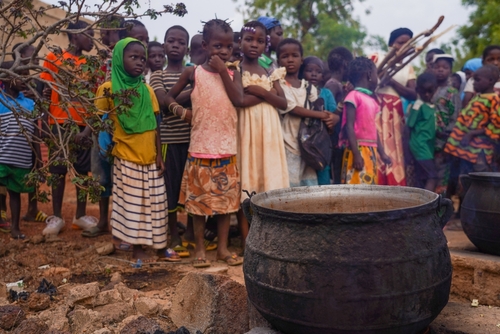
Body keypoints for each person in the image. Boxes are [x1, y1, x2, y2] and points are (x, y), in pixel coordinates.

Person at [165, 19, 244, 268]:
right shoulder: (192, 73)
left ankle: (221, 249)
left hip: (226, 150)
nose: (223, 51)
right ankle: (200, 249)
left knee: (225, 205)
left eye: (228, 47)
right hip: (199, 149)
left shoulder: (233, 74)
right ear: (205, 45)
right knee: (198, 206)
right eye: (217, 45)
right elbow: (167, 99)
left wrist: (223, 70)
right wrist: (183, 112)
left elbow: (238, 99)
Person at [94, 37, 176, 262]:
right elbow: (100, 123)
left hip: (150, 159)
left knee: (157, 204)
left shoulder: (147, 91)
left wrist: (159, 155)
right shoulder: (108, 89)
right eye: (133, 57)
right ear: (120, 60)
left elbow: (156, 126)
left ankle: (160, 247)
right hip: (126, 158)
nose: (140, 62)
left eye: (143, 58)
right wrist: (104, 147)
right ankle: (138, 248)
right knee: (133, 206)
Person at [40, 20, 98, 235]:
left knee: (83, 171)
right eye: (89, 34)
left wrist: (88, 129)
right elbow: (43, 91)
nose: (92, 39)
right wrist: (45, 124)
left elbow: (93, 100)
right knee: (57, 170)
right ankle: (56, 217)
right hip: (59, 123)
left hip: (83, 126)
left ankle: (80, 216)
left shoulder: (89, 65)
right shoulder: (53, 58)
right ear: (75, 36)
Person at [236, 21, 289, 250]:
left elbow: (283, 102)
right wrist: (269, 94)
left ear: (266, 44)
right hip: (246, 129)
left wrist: (260, 91)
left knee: (268, 178)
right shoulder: (235, 68)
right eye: (249, 40)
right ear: (240, 41)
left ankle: (272, 239)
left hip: (269, 131)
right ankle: (247, 241)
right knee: (248, 177)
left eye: (260, 41)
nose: (254, 45)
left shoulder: (271, 69)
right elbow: (241, 100)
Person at [151, 25, 191, 257]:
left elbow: (170, 101)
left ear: (186, 48)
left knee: (193, 187)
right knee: (171, 188)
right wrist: (189, 94)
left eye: (180, 42)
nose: (175, 45)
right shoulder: (157, 75)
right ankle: (173, 232)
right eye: (171, 41)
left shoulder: (194, 71)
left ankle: (191, 234)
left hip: (194, 141)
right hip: (169, 140)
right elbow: (162, 103)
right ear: (164, 45)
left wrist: (173, 98)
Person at [276, 38, 337, 187]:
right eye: (285, 56)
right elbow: (294, 109)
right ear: (278, 61)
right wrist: (323, 115)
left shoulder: (308, 87)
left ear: (301, 60)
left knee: (308, 186)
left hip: (309, 143)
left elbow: (318, 106)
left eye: (294, 56)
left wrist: (332, 117)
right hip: (288, 142)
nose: (290, 60)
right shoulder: (280, 84)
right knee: (290, 185)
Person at [372, 28, 417, 186]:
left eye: (408, 44)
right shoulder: (377, 58)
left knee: (394, 147)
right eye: (400, 42)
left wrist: (391, 82)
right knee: (375, 142)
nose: (404, 46)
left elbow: (413, 94)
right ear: (391, 44)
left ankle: (393, 183)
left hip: (395, 113)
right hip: (375, 107)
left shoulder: (408, 68)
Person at [0, 66, 40, 239]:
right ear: (7, 78)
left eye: (27, 75)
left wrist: (37, 159)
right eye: (20, 75)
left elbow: (35, 134)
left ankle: (15, 227)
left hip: (21, 160)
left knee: (15, 194)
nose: (25, 79)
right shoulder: (0, 101)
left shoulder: (30, 103)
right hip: (1, 157)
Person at [339, 57, 391, 185]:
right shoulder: (353, 96)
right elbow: (349, 126)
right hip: (357, 149)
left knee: (368, 185)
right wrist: (356, 154)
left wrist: (382, 153)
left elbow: (373, 129)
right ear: (369, 75)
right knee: (355, 185)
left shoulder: (371, 100)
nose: (376, 78)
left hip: (370, 150)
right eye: (375, 74)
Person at [444, 65, 500, 174]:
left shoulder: (494, 100)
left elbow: (496, 125)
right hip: (465, 148)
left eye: (477, 80)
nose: (474, 83)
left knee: (480, 175)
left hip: (480, 148)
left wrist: (472, 134)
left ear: (490, 81)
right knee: (464, 176)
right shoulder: (478, 97)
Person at [300, 56, 338, 184]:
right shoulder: (300, 91)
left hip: (321, 144)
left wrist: (334, 118)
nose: (314, 74)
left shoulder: (326, 94)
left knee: (323, 178)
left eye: (318, 71)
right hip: (301, 142)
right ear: (302, 72)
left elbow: (333, 114)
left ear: (323, 75)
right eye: (309, 70)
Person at [431, 54, 461, 194]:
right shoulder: (429, 89)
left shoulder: (452, 92)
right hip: (427, 139)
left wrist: (449, 140)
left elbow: (455, 117)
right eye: (437, 67)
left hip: (443, 140)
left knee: (442, 174)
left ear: (450, 70)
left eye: (445, 67)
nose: (440, 70)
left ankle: (440, 209)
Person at [325, 47, 353, 184]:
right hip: (334, 139)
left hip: (338, 139)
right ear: (345, 65)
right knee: (336, 174)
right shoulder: (332, 85)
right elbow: (329, 112)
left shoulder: (339, 85)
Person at [407, 72, 439, 191]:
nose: (426, 94)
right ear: (417, 90)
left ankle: (418, 205)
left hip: (427, 147)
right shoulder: (418, 105)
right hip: (419, 147)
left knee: (421, 178)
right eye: (423, 91)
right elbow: (408, 128)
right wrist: (407, 152)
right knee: (433, 176)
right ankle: (426, 204)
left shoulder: (431, 106)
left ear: (435, 89)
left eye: (430, 91)